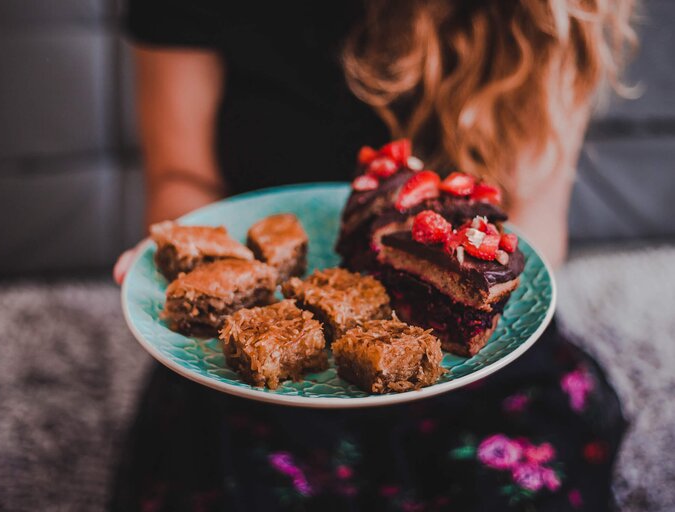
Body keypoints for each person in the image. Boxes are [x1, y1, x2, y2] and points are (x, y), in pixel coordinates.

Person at [111, 2, 636, 510]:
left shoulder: (548, 10)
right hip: (249, 373)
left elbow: (538, 220)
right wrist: (195, 249)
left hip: (481, 365)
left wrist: (483, 292)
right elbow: (182, 177)